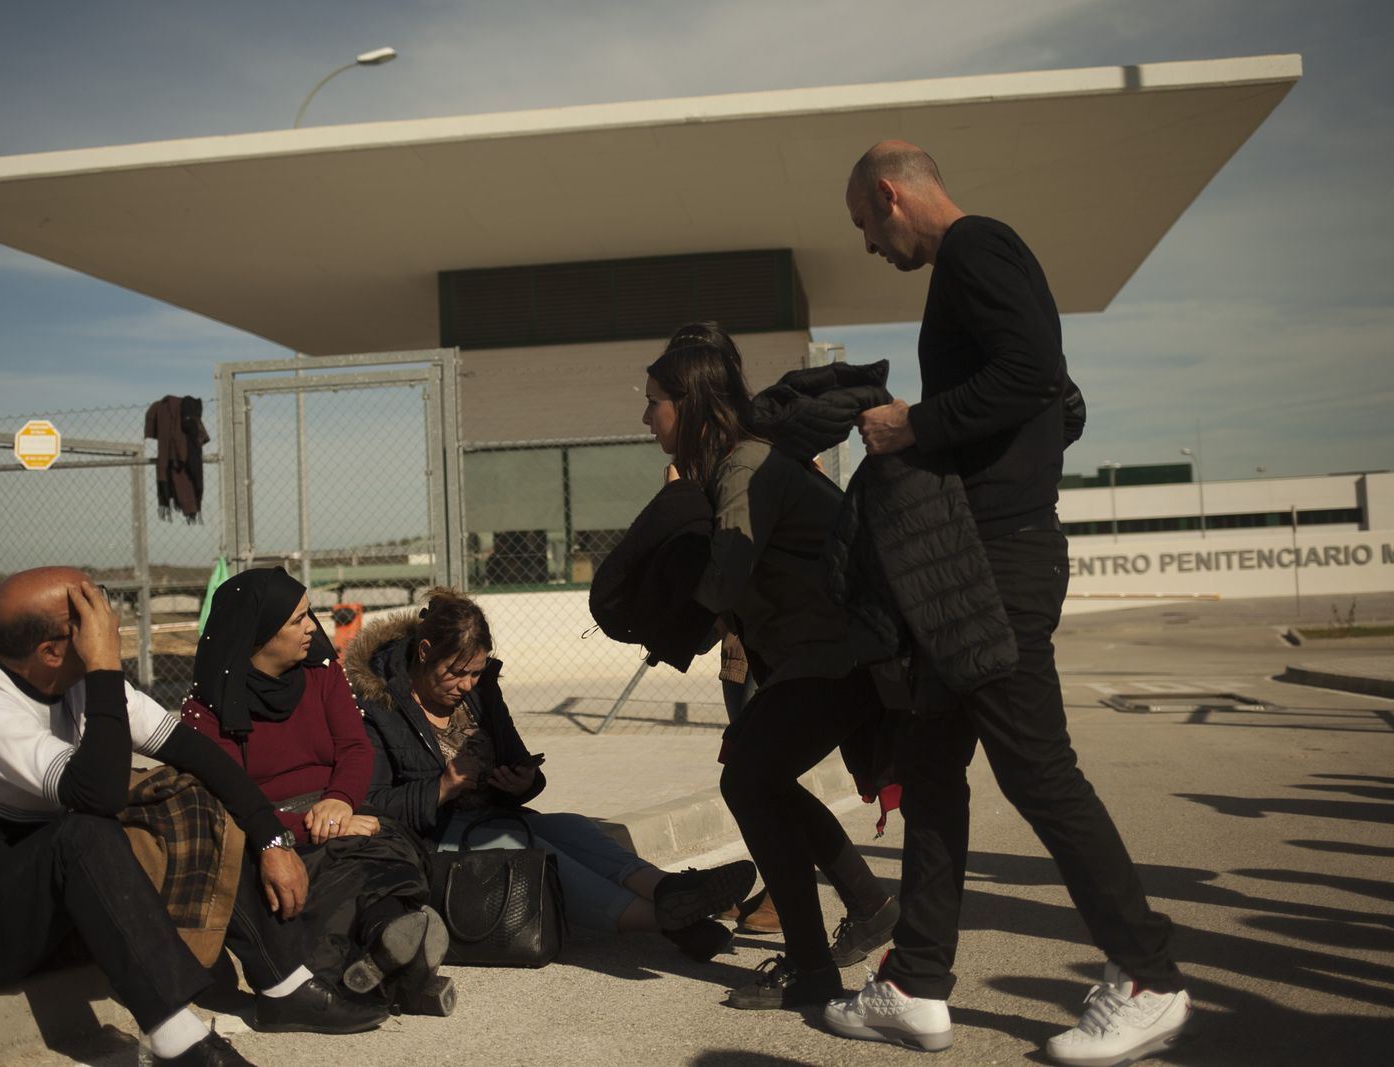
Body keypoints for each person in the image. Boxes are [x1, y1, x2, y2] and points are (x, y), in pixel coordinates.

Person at [823, 141, 1189, 1065]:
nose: (869, 243)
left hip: (997, 565)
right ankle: (913, 985)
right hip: (967, 563)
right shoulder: (978, 265)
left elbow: (1032, 375)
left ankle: (1147, 973)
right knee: (933, 768)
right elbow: (1054, 398)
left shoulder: (979, 247)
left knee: (1038, 769)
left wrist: (914, 423)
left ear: (889, 194)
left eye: (865, 223)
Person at [0, 567, 388, 1067]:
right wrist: (103, 667)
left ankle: (284, 984)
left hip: (49, 916)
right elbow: (95, 797)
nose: (111, 626)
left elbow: (197, 756)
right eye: (91, 618)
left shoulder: (74, 680)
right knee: (83, 832)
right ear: (52, 650)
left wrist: (272, 840)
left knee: (189, 792)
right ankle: (174, 1037)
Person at [641, 322, 900, 1010]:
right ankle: (867, 907)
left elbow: (720, 583)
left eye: (654, 402)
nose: (646, 417)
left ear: (688, 404)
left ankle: (814, 969)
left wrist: (658, 619)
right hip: (824, 656)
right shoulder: (735, 464)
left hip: (838, 655)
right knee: (760, 778)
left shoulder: (744, 468)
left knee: (751, 780)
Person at [344, 587, 754, 962]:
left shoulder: (481, 692)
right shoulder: (377, 705)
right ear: (425, 651)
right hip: (429, 844)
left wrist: (522, 783)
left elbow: (518, 761)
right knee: (535, 849)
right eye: (457, 672)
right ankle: (675, 921)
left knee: (573, 829)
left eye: (476, 672)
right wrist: (443, 787)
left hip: (488, 822)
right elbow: (371, 807)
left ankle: (670, 892)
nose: (468, 684)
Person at [181, 567, 454, 1016]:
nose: (313, 627)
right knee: (332, 867)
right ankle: (401, 963)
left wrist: (340, 802)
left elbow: (353, 747)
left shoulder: (322, 674)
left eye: (310, 615)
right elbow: (228, 795)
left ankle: (389, 949)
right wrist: (307, 827)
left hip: (336, 809)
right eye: (297, 620)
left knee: (387, 842)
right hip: (267, 830)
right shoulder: (206, 707)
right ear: (259, 634)